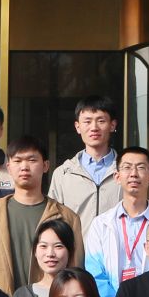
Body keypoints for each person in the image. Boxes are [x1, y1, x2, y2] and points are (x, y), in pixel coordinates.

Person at [0, 136, 83, 294]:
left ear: (45, 166)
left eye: (32, 160)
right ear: (9, 167)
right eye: (17, 161)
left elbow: (75, 271)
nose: (24, 167)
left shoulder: (68, 218)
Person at [83, 145, 149, 297]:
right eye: (127, 167)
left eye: (140, 167)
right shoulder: (101, 224)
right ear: (117, 177)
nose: (133, 174)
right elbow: (94, 273)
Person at [51, 95, 122, 225]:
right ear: (78, 127)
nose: (94, 127)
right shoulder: (63, 173)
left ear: (112, 125)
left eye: (101, 121)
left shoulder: (127, 171)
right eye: (87, 121)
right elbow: (54, 221)